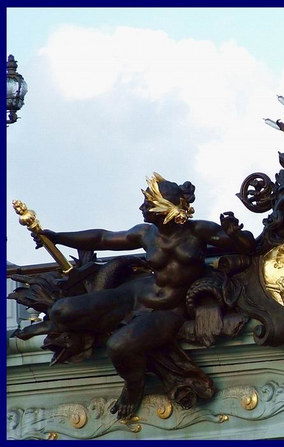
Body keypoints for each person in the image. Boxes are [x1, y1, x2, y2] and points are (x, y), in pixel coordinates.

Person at [32, 172, 255, 419]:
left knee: (119, 346)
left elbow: (247, 247)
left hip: (169, 310)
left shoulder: (199, 231)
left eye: (148, 204)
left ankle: (134, 384)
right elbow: (102, 238)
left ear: (164, 209)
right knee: (61, 311)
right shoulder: (146, 233)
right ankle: (104, 328)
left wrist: (235, 234)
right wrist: (57, 237)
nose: (142, 207)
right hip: (134, 295)